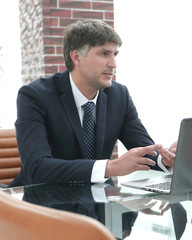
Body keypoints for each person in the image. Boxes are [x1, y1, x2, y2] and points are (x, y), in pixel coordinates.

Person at [10, 19, 176, 187]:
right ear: (76, 57)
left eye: (115, 54)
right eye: (104, 53)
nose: (113, 64)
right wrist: (109, 167)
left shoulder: (119, 95)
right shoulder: (35, 96)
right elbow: (37, 168)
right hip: (41, 202)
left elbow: (144, 149)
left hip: (99, 201)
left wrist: (166, 159)